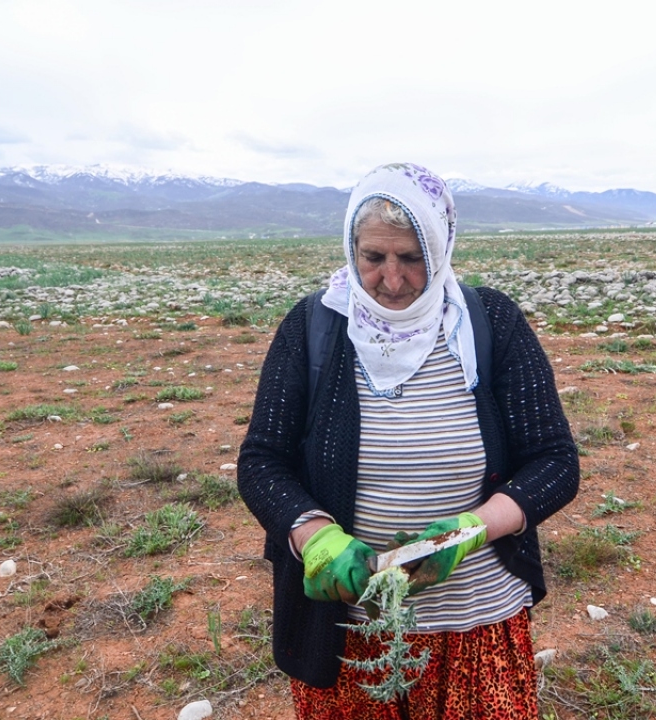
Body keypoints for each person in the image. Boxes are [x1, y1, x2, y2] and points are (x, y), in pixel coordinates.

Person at [238, 162, 579, 719]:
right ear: (352, 249)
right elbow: (261, 462)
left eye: (412, 258)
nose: (392, 279)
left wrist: (475, 528)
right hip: (348, 630)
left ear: (440, 248)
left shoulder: (489, 322)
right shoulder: (312, 328)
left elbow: (555, 462)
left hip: (477, 618)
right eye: (373, 258)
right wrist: (312, 534)